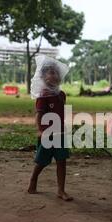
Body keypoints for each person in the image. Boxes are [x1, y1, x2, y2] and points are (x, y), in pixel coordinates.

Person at [27, 55, 72, 201]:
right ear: (43, 77)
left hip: (60, 134)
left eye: (57, 72)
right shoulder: (43, 97)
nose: (55, 75)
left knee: (62, 160)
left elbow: (61, 113)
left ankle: (61, 190)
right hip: (47, 134)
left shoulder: (61, 95)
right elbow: (39, 115)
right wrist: (40, 130)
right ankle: (33, 180)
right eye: (51, 72)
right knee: (42, 161)